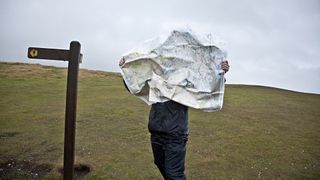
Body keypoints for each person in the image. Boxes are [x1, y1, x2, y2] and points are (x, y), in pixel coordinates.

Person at [120, 58, 229, 180]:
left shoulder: (185, 82)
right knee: (160, 164)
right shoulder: (155, 80)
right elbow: (134, 86)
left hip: (175, 136)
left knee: (174, 174)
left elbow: (207, 88)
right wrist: (125, 70)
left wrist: (221, 74)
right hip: (156, 132)